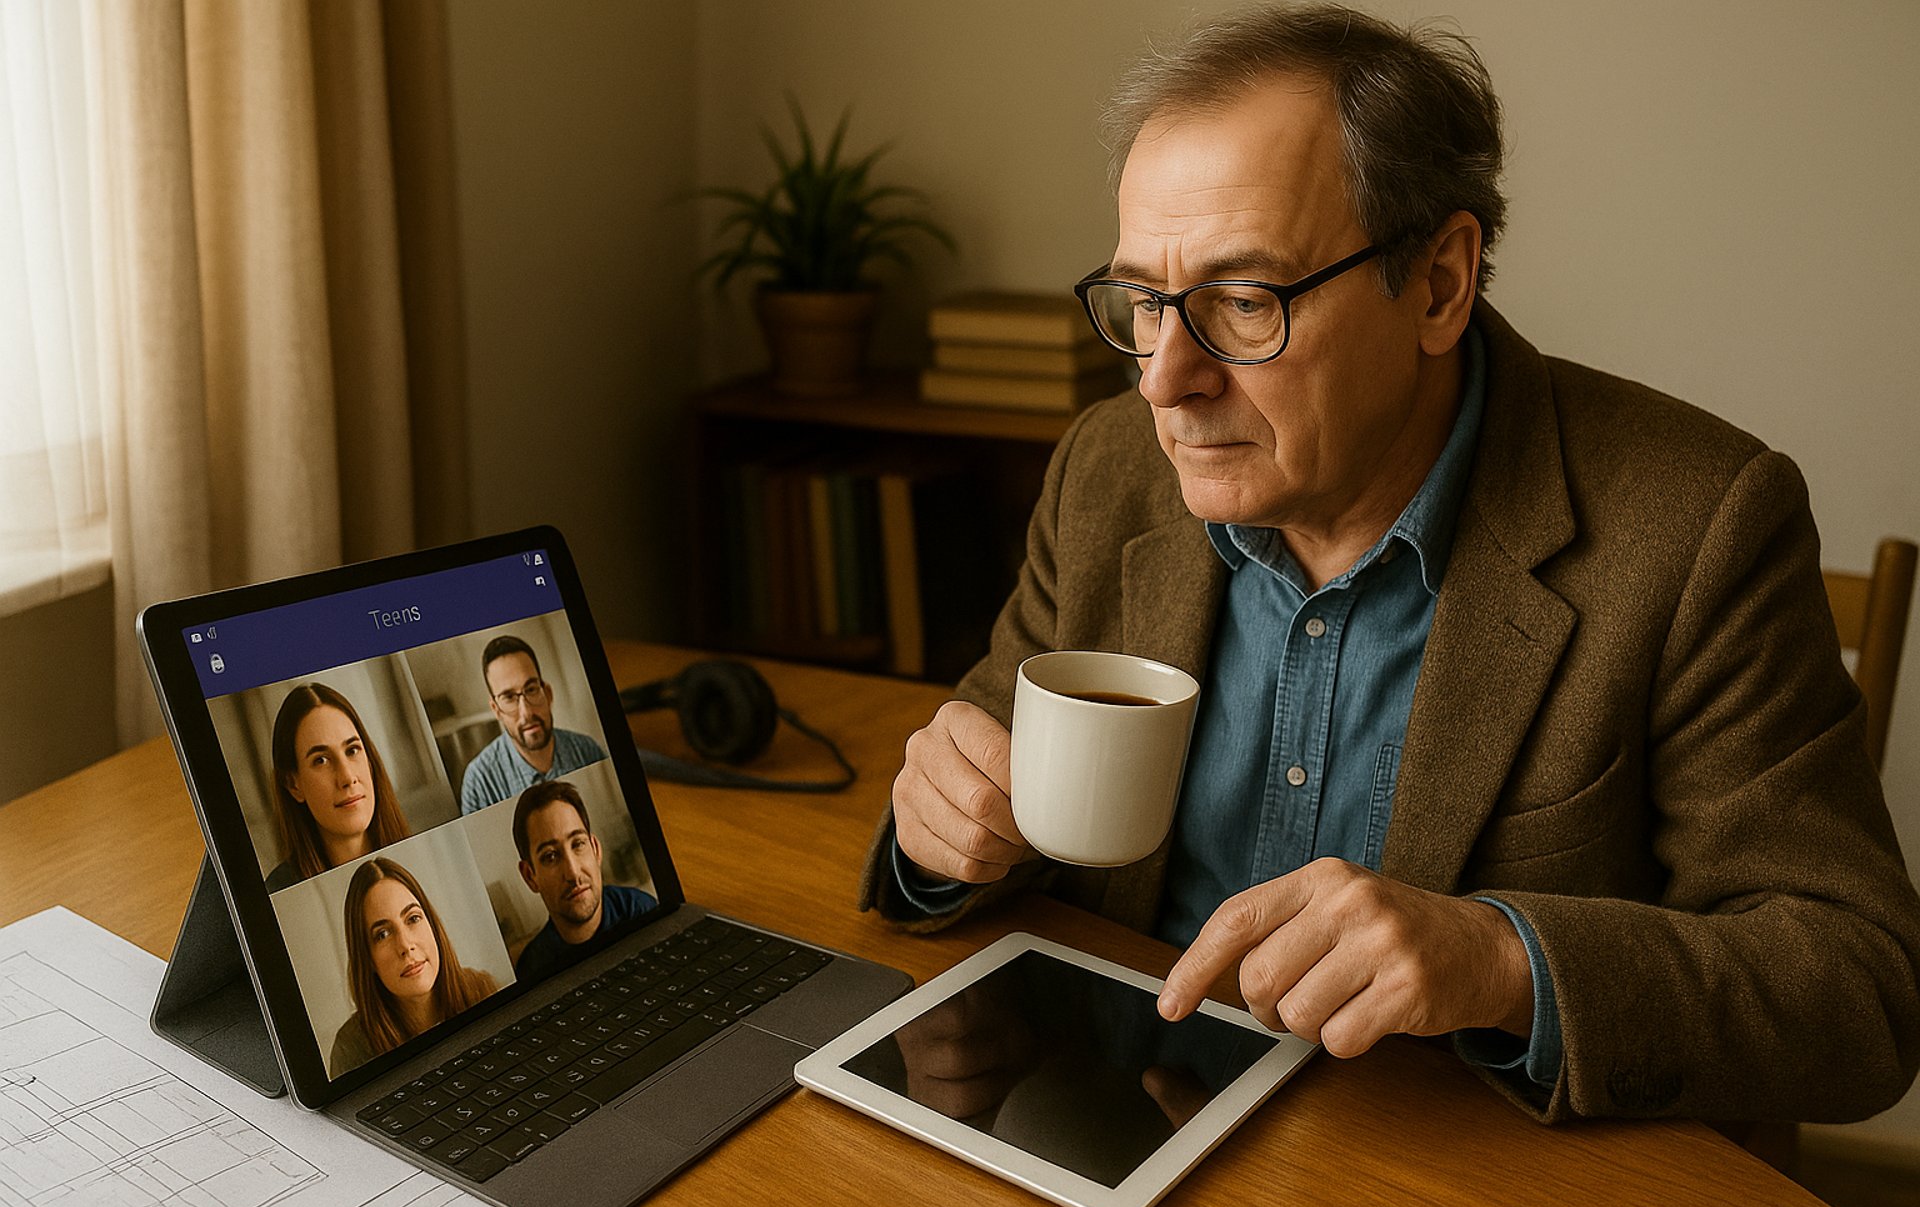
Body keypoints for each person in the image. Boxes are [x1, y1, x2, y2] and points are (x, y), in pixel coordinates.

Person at [860, 4, 1920, 1126]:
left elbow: (1858, 991)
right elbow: (976, 784)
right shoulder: (1108, 469)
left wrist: (1499, 960)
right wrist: (939, 833)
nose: (1165, 380)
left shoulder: (1702, 523)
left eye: (1243, 301)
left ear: (1437, 286)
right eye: (1145, 302)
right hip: (1123, 1138)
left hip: (1471, 1190)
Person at [329, 856, 499, 1075]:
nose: (405, 945)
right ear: (367, 958)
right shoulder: (351, 1047)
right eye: (382, 934)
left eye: (413, 918)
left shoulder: (482, 989)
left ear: (432, 925)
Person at [266, 683, 412, 892]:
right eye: (321, 760)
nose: (347, 777)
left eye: (352, 750)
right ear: (293, 785)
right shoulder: (278, 890)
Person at [510, 779, 656, 983]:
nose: (573, 872)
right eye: (550, 856)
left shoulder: (643, 911)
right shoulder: (532, 968)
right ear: (530, 876)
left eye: (578, 844)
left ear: (596, 849)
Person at [459, 635, 608, 814]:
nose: (526, 712)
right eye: (509, 697)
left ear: (548, 694)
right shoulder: (479, 782)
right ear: (496, 709)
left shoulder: (587, 750)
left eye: (531, 689)